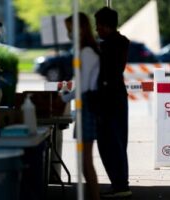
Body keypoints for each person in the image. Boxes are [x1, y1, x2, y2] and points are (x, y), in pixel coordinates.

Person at [94, 7, 132, 198]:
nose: (96, 29)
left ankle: (120, 185)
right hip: (117, 96)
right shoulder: (120, 42)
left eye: (98, 25)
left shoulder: (108, 46)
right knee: (117, 141)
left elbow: (104, 73)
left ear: (105, 26)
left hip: (108, 99)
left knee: (110, 143)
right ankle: (119, 183)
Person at [62, 12, 100, 200]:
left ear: (81, 28)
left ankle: (94, 197)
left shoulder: (86, 52)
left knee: (85, 160)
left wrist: (64, 98)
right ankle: (94, 196)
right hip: (86, 107)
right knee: (85, 161)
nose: (69, 33)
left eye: (70, 29)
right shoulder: (86, 50)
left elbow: (83, 86)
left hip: (88, 108)